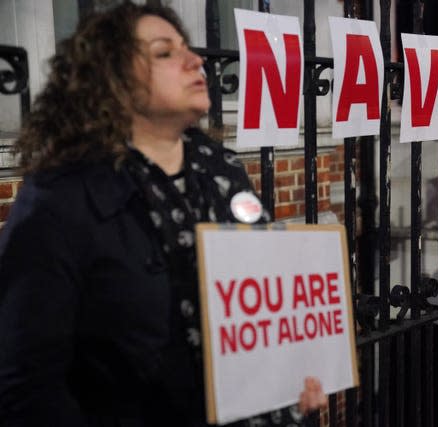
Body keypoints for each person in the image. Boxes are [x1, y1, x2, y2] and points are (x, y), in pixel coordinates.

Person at [0, 3, 327, 426]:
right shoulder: (62, 198)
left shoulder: (222, 172)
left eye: (187, 47)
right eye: (164, 52)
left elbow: (263, 310)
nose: (195, 60)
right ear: (112, 79)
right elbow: (25, 383)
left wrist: (289, 382)